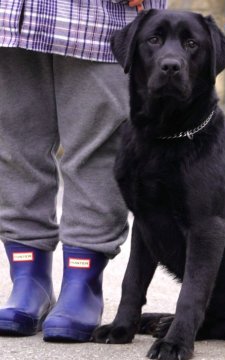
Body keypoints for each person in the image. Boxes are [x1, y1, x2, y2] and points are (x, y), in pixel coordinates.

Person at [0, 0, 167, 342]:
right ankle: (28, 281)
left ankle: (82, 284)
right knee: (13, 144)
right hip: (9, 17)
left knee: (97, 148)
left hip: (94, 17)